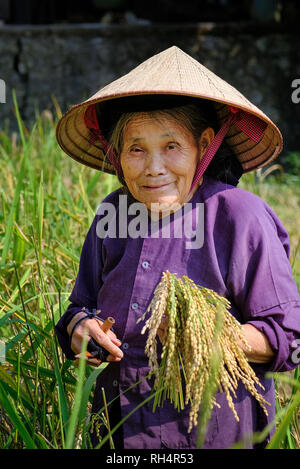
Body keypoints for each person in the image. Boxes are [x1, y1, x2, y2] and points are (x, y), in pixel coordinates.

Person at [55, 46, 300, 449]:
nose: (153, 167)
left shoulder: (241, 217)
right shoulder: (111, 215)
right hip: (118, 434)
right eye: (137, 149)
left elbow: (289, 339)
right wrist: (80, 330)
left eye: (171, 146)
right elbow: (78, 308)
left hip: (214, 435)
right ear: (117, 154)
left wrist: (212, 336)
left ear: (204, 145)